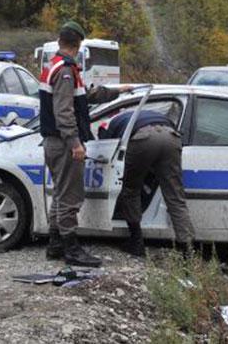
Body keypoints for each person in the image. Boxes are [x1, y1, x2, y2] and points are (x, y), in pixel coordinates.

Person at [39, 20, 131, 267]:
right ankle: (72, 250)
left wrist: (117, 91)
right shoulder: (66, 70)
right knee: (70, 197)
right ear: (78, 45)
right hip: (63, 143)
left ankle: (55, 245)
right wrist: (75, 143)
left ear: (60, 41)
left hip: (54, 142)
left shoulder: (55, 66)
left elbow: (86, 96)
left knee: (60, 194)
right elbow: (64, 112)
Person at [101, 109, 195, 257]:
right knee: (175, 197)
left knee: (130, 190)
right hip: (171, 136)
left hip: (143, 138)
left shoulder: (113, 123)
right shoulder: (150, 113)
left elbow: (109, 149)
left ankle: (136, 242)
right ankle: (188, 250)